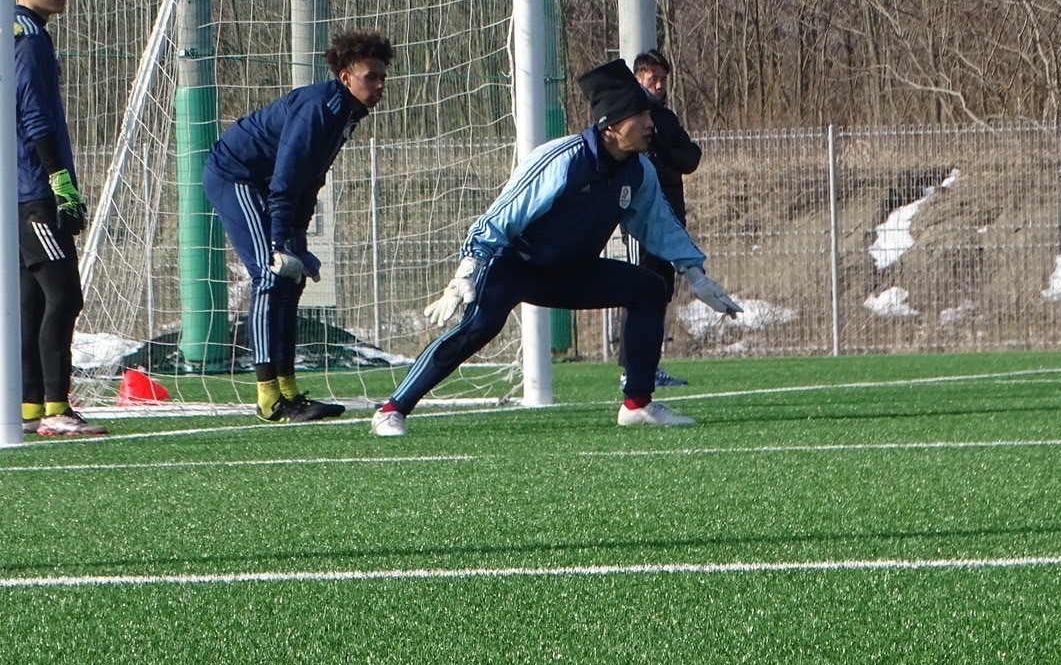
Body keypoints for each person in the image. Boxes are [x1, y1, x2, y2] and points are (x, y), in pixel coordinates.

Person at [371, 58, 742, 437]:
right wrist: (465, 273)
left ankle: (637, 404)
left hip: (573, 271)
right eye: (641, 116)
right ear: (612, 125)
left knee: (648, 288)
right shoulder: (562, 160)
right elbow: (501, 217)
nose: (651, 124)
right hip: (514, 267)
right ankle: (392, 409)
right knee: (478, 329)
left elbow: (661, 227)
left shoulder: (639, 170)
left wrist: (696, 276)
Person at [203, 29, 393, 423]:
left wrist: (299, 239)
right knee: (270, 275)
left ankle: (289, 393)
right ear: (346, 77)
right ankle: (268, 399)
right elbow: (286, 180)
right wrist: (278, 243)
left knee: (293, 281)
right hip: (235, 176)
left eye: (382, 77)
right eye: (370, 77)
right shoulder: (318, 108)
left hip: (267, 185)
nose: (379, 85)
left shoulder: (346, 112)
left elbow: (311, 180)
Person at [13, 0, 106, 437]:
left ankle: (31, 408)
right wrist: (60, 182)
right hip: (33, 193)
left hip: (23, 190)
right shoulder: (28, 38)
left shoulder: (25, 30)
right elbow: (34, 116)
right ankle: (54, 406)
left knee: (33, 301)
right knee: (65, 296)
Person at [619, 49, 701, 389]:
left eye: (663, 79)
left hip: (670, 218)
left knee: (660, 292)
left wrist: (664, 154)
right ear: (638, 78)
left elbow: (690, 157)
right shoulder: (626, 118)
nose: (659, 85)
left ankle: (649, 366)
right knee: (639, 291)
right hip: (642, 222)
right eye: (653, 78)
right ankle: (632, 369)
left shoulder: (665, 119)